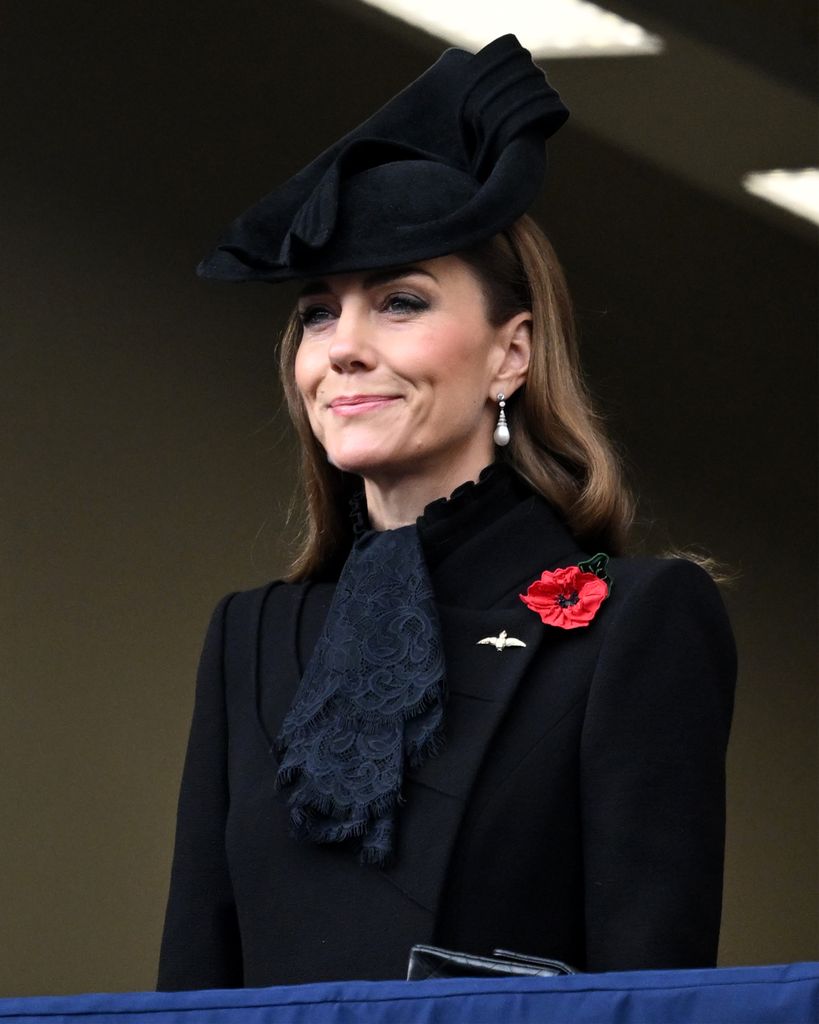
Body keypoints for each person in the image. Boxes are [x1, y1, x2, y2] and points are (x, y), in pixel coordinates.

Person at [157, 35, 736, 990]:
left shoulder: (639, 620)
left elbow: (652, 990)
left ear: (511, 355)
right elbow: (194, 980)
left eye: (399, 301)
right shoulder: (249, 635)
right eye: (316, 312)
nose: (340, 347)